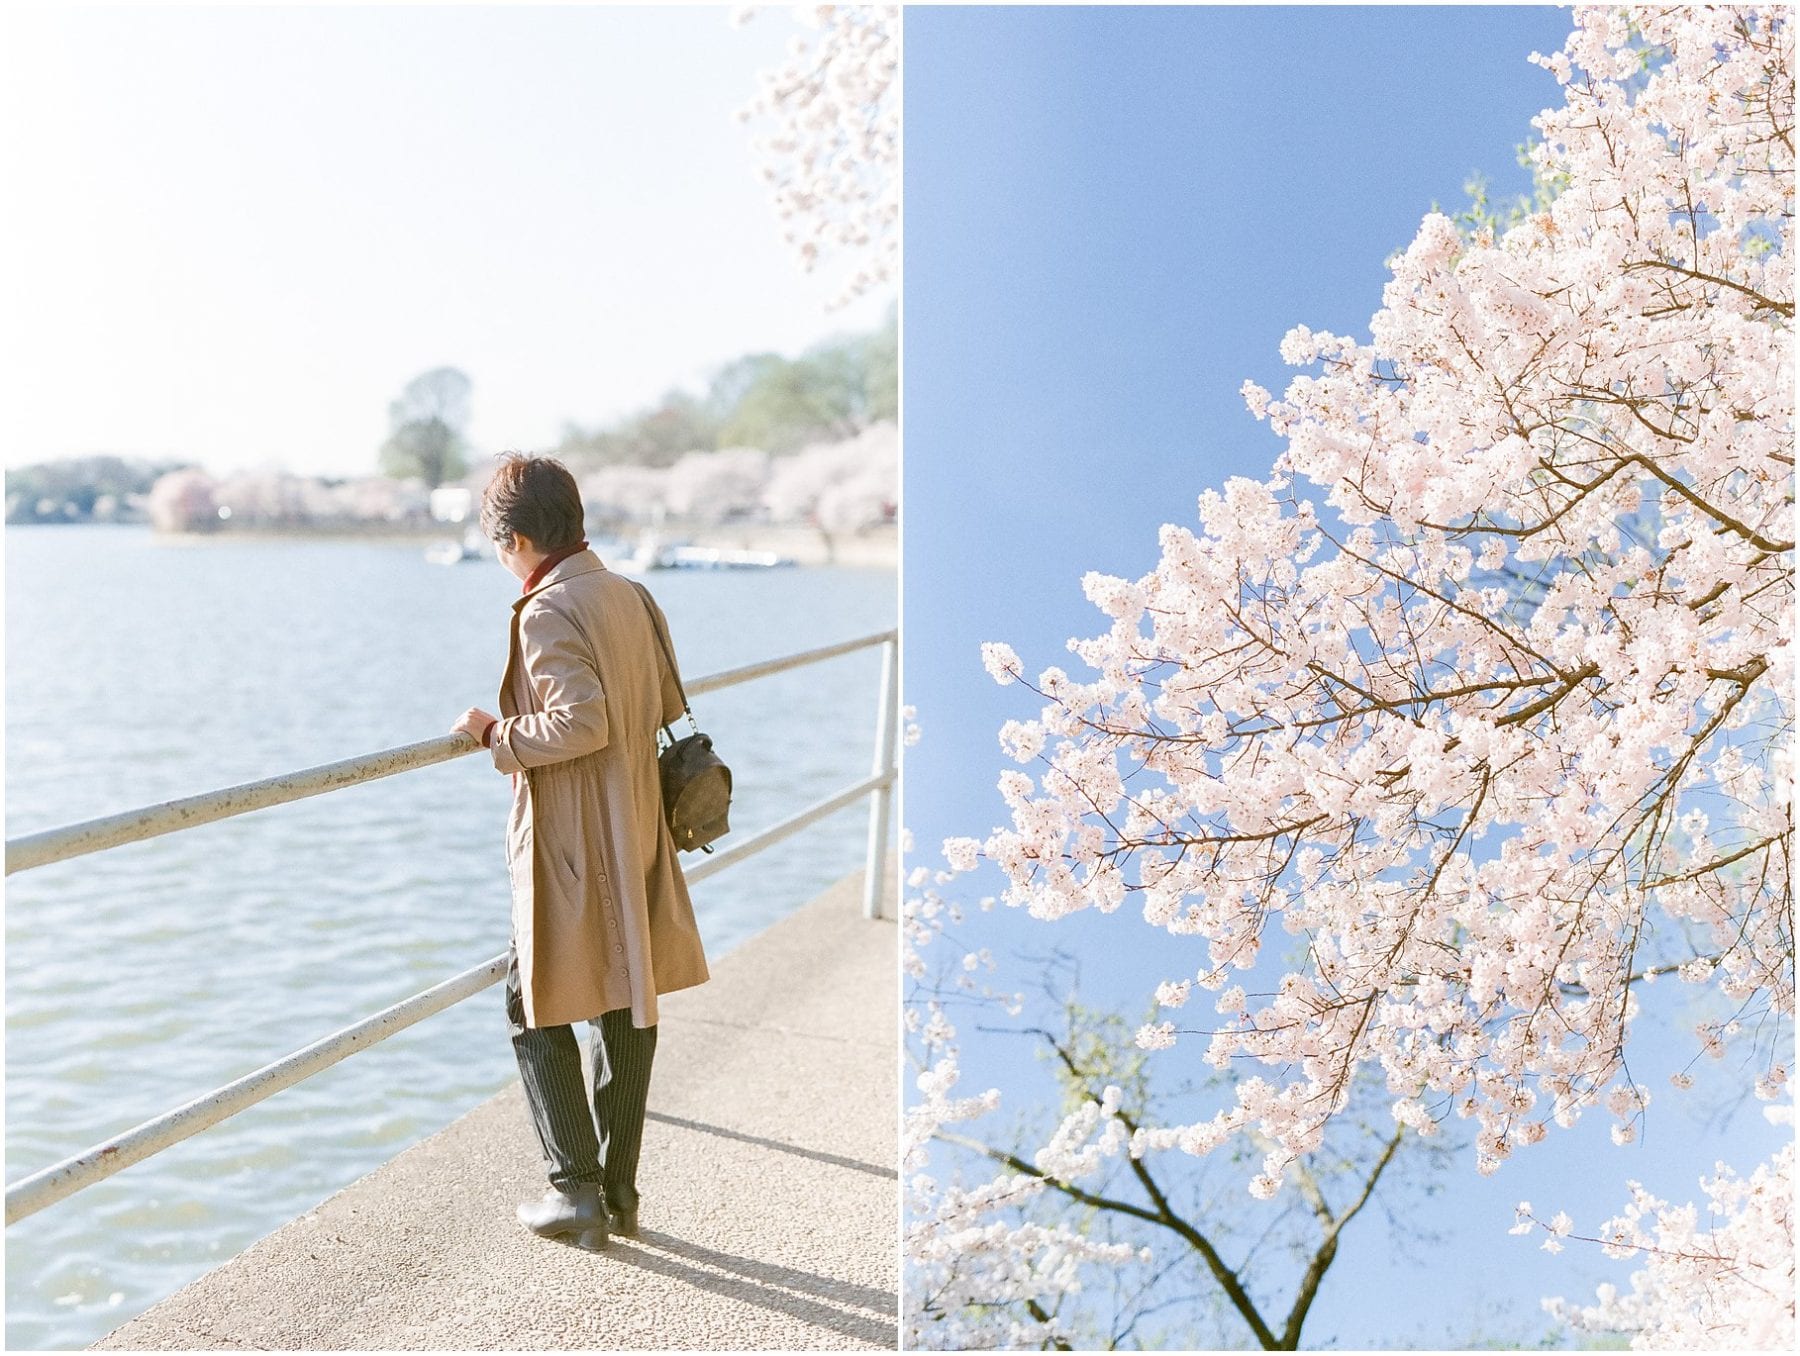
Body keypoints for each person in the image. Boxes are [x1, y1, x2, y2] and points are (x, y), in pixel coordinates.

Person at [450, 452, 710, 1251]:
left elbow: (579, 720)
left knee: (529, 999)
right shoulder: (631, 593)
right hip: (635, 820)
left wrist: (496, 734)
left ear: (517, 538)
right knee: (626, 997)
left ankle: (574, 1191)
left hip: (575, 834)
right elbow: (664, 702)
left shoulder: (545, 610)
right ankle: (621, 1194)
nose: (503, 562)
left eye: (500, 546)